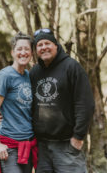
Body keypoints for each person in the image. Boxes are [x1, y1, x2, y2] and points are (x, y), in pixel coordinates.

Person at [30, 28, 95, 173]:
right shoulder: (34, 72)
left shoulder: (72, 67)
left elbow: (85, 104)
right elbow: (26, 101)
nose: (44, 47)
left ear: (56, 46)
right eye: (39, 45)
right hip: (42, 147)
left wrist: (78, 137)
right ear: (36, 50)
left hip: (66, 145)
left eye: (47, 43)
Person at [0, 32, 37, 173]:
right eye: (19, 49)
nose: (23, 52)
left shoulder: (29, 76)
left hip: (27, 144)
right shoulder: (5, 76)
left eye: (26, 49)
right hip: (9, 146)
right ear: (12, 52)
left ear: (31, 53)